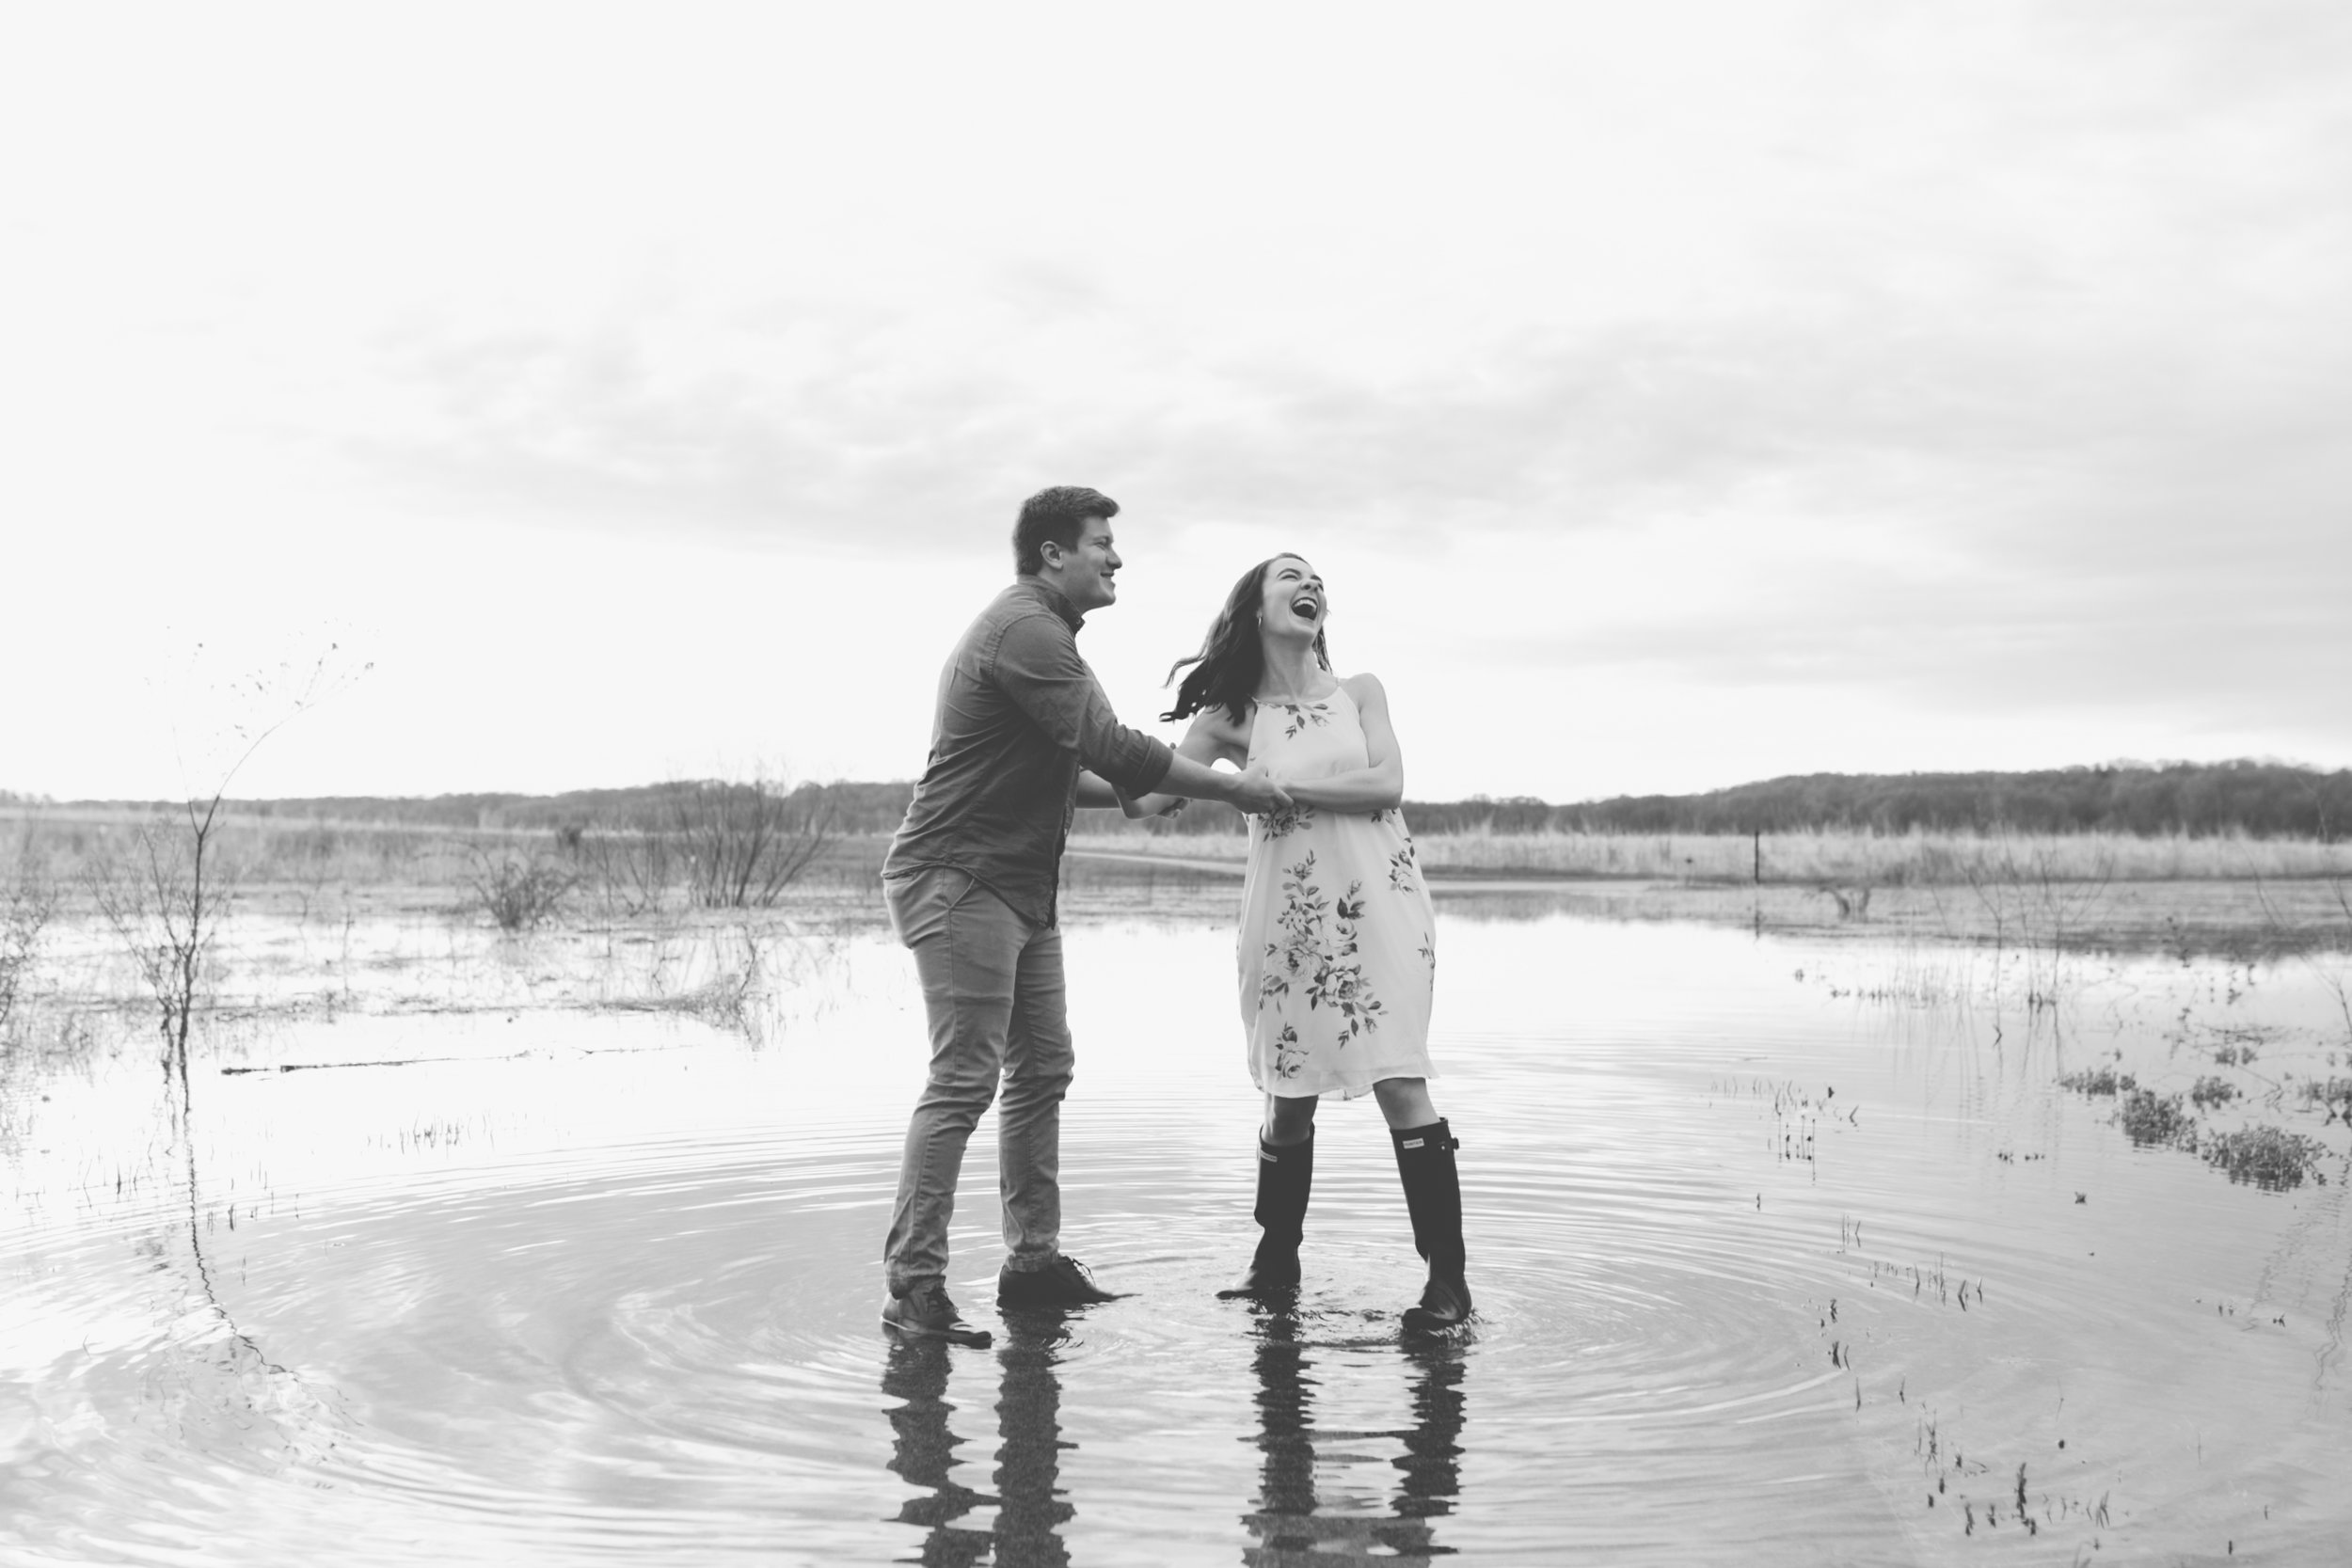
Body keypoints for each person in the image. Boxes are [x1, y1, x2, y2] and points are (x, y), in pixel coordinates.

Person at [878, 486, 1295, 1349]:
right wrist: (1227, 785)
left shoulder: (1044, 634)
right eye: (1102, 543)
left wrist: (1133, 802)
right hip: (959, 877)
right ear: (1052, 554)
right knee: (964, 1077)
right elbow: (1110, 741)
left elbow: (1060, 766)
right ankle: (913, 1288)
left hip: (1017, 887)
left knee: (1044, 1069)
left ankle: (1032, 1266)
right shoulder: (1026, 630)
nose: (1116, 558)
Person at [1120, 554, 1470, 1333]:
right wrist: (1069, 741)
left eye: (1318, 581)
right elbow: (1145, 799)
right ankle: (1275, 1263)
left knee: (1400, 1083)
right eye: (1291, 575)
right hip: (1290, 921)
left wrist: (1269, 789)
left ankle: (1448, 1283)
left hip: (1383, 908)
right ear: (1255, 606)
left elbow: (1387, 785)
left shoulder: (1360, 693)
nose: (1311, 586)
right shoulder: (1227, 717)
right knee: (1287, 1101)